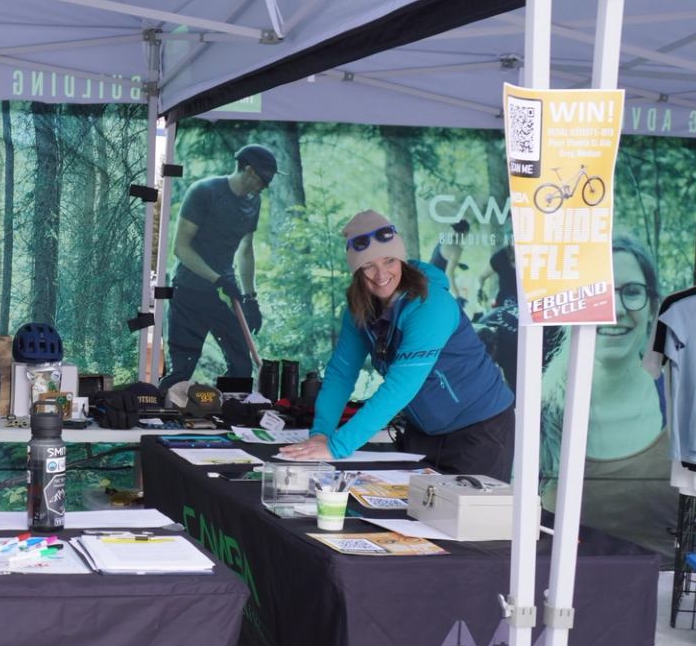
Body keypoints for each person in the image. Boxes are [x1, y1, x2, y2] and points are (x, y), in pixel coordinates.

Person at [284, 210, 516, 479]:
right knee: (405, 515)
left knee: (463, 519)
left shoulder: (432, 306)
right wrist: (320, 435)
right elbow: (341, 374)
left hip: (479, 429)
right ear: (357, 270)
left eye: (390, 260)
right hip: (423, 431)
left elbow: (402, 385)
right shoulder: (358, 309)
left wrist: (337, 447)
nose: (381, 274)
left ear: (402, 261)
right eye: (368, 265)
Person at [542, 237, 676, 556]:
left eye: (631, 291)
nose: (614, 309)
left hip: (664, 592)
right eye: (597, 294)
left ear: (653, 305)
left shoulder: (682, 402)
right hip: (556, 590)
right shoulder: (539, 409)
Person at [161, 143, 275, 388]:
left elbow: (245, 250)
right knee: (181, 372)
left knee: (242, 367)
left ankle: (230, 418)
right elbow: (181, 248)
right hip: (188, 293)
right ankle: (159, 419)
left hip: (222, 296)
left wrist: (250, 298)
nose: (267, 185)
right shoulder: (205, 192)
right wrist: (219, 280)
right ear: (249, 170)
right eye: (265, 178)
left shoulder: (254, 201)